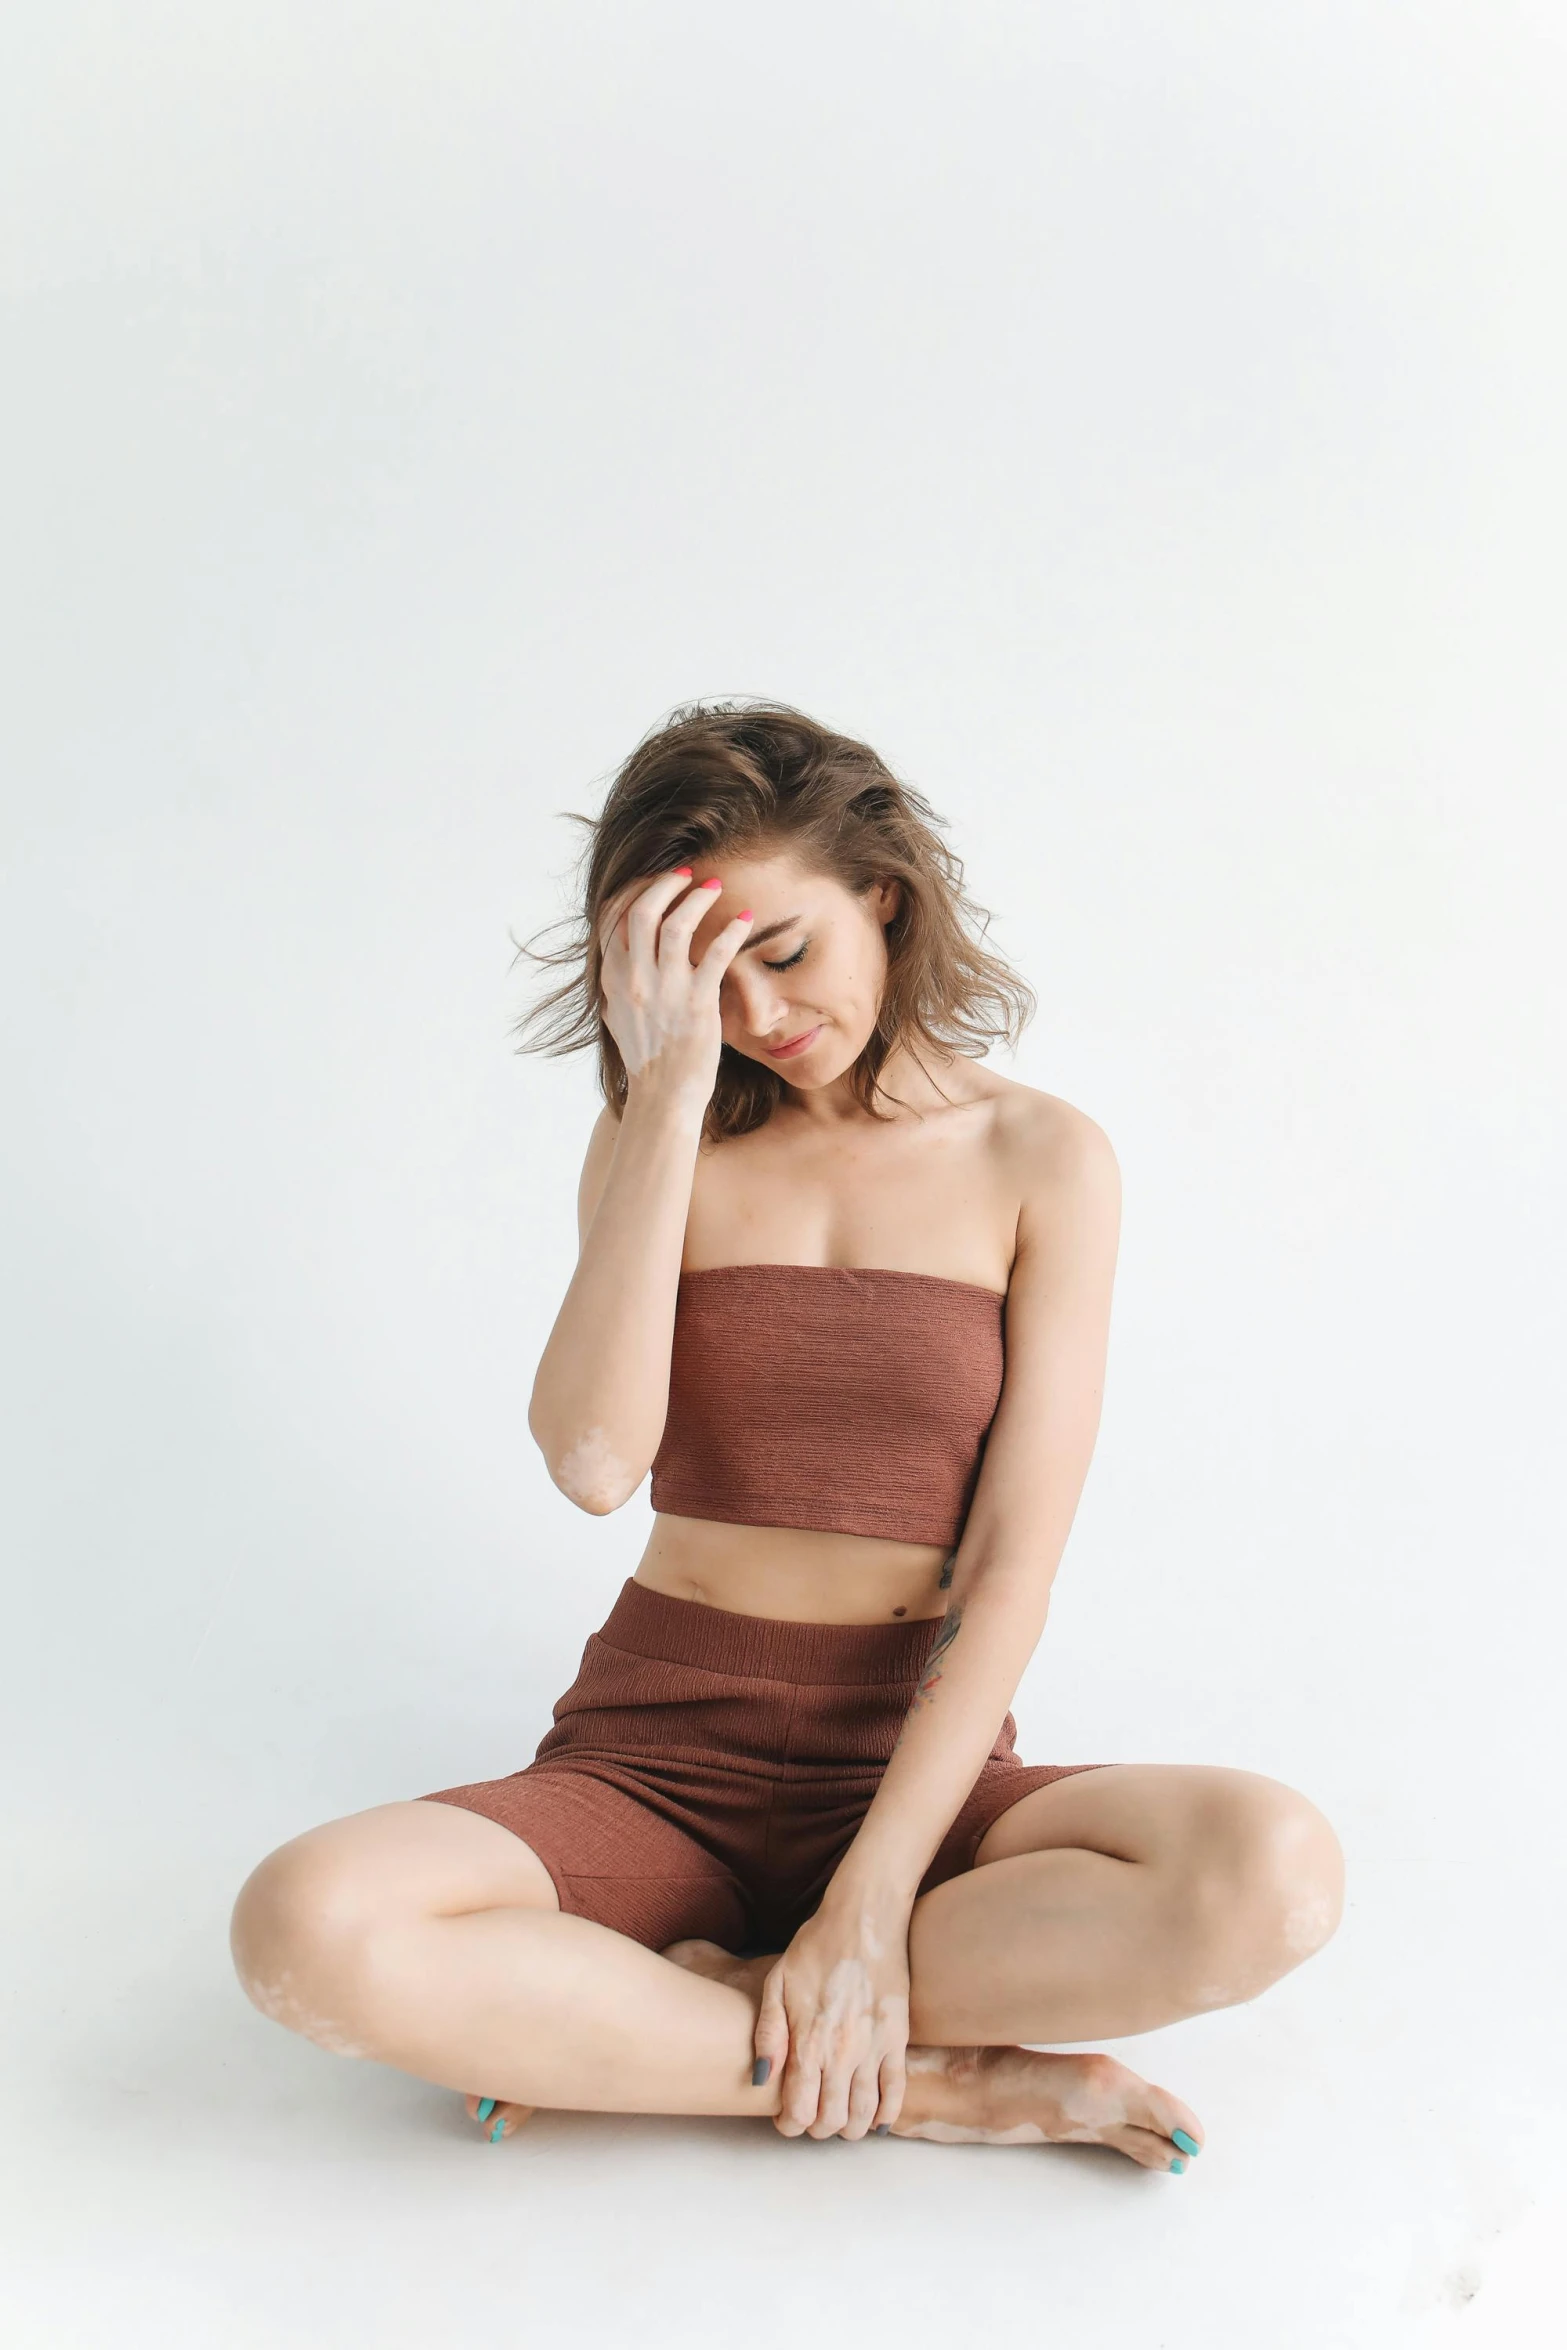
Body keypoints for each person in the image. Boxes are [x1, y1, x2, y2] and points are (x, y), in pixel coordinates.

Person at [230, 699, 1344, 2166]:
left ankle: (678, 2021)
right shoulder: (660, 1140)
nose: (758, 1012)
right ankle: (934, 2080)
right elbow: (589, 1461)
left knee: (1272, 1872)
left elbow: (1010, 1561)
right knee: (304, 1922)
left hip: (912, 1761)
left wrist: (869, 1901)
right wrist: (667, 1088)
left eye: (783, 953)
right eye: (706, 979)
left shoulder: (1041, 1158)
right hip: (652, 1760)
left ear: (882, 897)